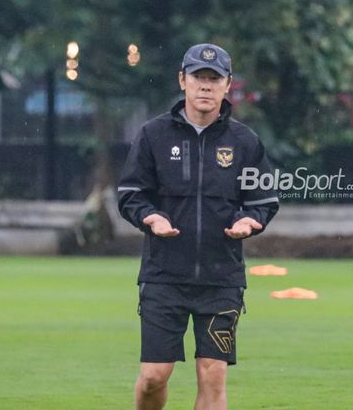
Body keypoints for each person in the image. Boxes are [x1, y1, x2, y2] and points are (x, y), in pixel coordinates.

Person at [117, 43, 279, 410]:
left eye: (214, 79)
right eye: (198, 78)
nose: (205, 86)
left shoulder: (245, 142)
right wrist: (150, 217)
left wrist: (250, 221)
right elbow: (130, 193)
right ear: (182, 81)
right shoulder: (152, 135)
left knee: (213, 376)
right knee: (153, 379)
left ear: (227, 85)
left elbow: (264, 199)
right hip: (163, 276)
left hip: (221, 278)